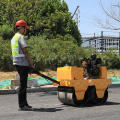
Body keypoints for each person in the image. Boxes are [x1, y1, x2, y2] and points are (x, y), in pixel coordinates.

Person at [11, 20, 34, 111]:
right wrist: (30, 63)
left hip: (17, 62)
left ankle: (24, 103)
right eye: (25, 28)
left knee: (23, 83)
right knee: (23, 84)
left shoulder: (13, 38)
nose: (26, 30)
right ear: (21, 28)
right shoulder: (20, 37)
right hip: (23, 63)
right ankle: (22, 104)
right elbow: (25, 51)